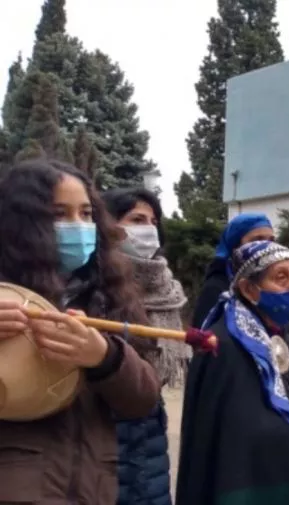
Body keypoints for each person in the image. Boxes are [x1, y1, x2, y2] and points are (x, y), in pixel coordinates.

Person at [0, 158, 160, 504]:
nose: (78, 226)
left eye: (86, 214)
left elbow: (143, 399)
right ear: (21, 224)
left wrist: (105, 357)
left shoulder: (110, 295)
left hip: (94, 488)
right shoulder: (5, 295)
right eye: (59, 214)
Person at [176, 240, 289, 505]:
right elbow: (247, 437)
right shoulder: (227, 344)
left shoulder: (268, 333)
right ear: (249, 289)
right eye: (281, 277)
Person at [102, 187, 190, 505]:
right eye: (137, 219)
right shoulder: (93, 286)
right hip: (105, 434)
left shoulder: (166, 288)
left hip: (150, 430)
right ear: (108, 225)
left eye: (153, 221)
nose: (149, 229)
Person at [191, 213, 275, 328]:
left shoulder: (269, 284)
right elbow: (204, 336)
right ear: (236, 247)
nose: (267, 246)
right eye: (257, 240)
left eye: (271, 240)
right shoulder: (216, 287)